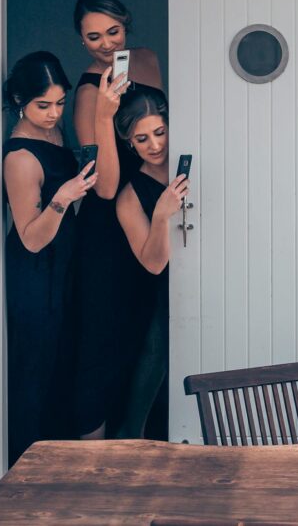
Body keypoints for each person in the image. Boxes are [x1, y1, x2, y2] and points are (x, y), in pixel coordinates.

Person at [70, 0, 165, 439]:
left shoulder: (146, 59)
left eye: (113, 31)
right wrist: (106, 115)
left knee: (149, 331)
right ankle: (91, 455)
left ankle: (136, 440)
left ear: (126, 25)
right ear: (81, 40)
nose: (106, 45)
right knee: (103, 341)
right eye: (93, 38)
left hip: (151, 201)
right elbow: (103, 187)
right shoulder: (89, 93)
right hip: (108, 228)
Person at [2, 51, 96, 465]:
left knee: (64, 358)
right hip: (36, 271)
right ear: (20, 99)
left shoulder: (55, 135)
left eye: (60, 103)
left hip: (66, 264)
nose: (54, 114)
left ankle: (58, 461)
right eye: (44, 105)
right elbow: (31, 239)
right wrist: (62, 198)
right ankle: (25, 468)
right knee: (33, 368)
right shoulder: (19, 158)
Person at [112, 87, 188, 438]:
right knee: (155, 359)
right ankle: (131, 438)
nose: (155, 145)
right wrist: (160, 216)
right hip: (155, 291)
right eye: (142, 139)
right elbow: (153, 264)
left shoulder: (190, 163)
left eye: (160, 133)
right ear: (130, 144)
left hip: (205, 280)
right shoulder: (128, 196)